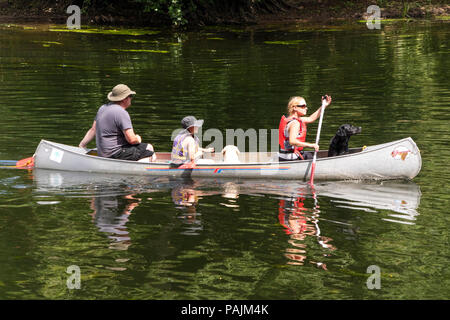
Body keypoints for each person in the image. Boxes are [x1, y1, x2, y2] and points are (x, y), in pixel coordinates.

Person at [79, 84, 156, 162]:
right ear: (124, 99)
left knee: (146, 147)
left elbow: (93, 129)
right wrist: (138, 139)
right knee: (150, 152)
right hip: (115, 154)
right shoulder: (121, 113)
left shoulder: (102, 108)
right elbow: (132, 140)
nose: (131, 99)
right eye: (130, 96)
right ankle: (136, 171)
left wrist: (82, 145)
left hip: (103, 153)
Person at [278, 95, 332, 161]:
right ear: (295, 107)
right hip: (290, 157)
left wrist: (324, 106)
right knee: (311, 157)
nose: (306, 108)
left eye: (306, 106)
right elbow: (292, 141)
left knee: (309, 155)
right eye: (303, 106)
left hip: (285, 155)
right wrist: (311, 145)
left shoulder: (294, 119)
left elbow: (311, 118)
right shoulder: (295, 123)